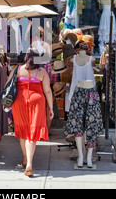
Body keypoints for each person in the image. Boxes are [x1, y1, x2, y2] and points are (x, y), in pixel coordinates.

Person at [7, 48, 54, 177]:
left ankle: (25, 159)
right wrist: (51, 108)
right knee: (31, 134)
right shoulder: (42, 71)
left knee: (23, 131)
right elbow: (48, 91)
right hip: (36, 102)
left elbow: (7, 85)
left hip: (19, 102)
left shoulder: (17, 69)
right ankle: (29, 164)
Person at [65, 40, 103, 168]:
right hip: (83, 93)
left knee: (86, 126)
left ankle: (87, 156)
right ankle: (82, 156)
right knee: (80, 126)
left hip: (85, 93)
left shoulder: (89, 59)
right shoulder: (74, 60)